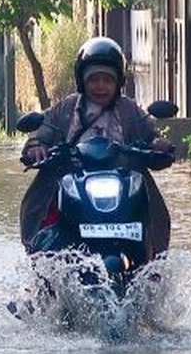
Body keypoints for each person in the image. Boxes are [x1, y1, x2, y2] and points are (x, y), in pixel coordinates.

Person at [18, 36, 173, 253]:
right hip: (72, 182)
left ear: (118, 82)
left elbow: (150, 137)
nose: (100, 86)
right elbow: (42, 134)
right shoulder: (66, 108)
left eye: (107, 80)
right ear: (82, 80)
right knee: (45, 213)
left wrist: (158, 145)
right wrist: (36, 147)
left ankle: (150, 262)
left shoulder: (129, 110)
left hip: (123, 185)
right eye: (94, 79)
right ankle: (45, 264)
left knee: (150, 213)